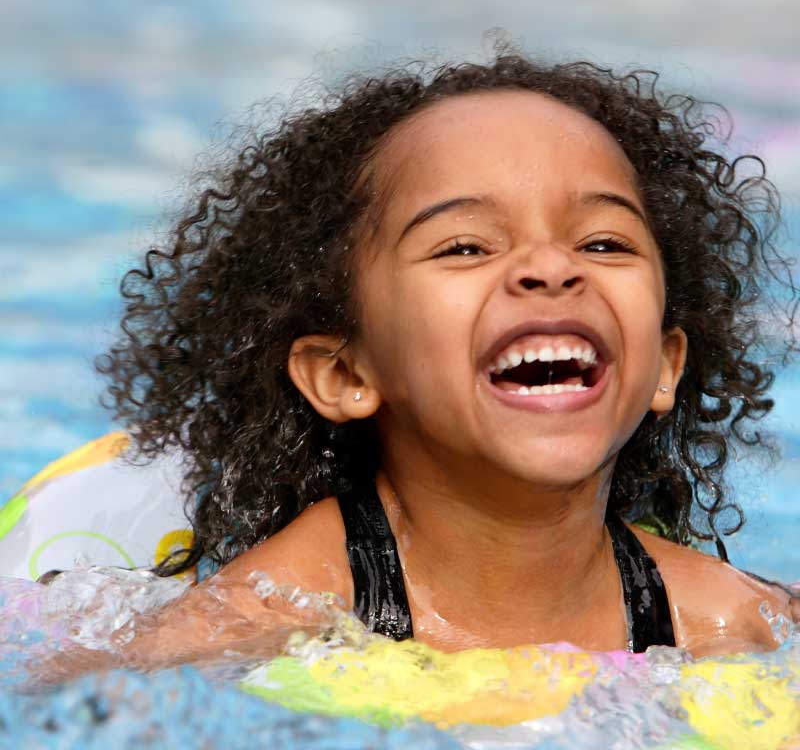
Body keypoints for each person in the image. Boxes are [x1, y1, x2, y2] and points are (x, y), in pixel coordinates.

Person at [95, 46, 800, 666]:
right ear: (345, 374)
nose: (551, 267)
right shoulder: (275, 615)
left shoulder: (721, 619)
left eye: (604, 243)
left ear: (666, 367)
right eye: (465, 246)